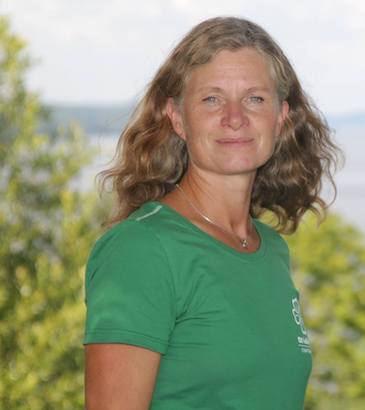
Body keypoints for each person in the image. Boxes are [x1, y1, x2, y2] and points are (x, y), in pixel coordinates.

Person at [83, 16, 343, 410]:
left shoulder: (270, 249)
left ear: (281, 116)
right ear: (177, 117)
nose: (234, 118)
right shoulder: (141, 250)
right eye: (211, 99)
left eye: (255, 98)